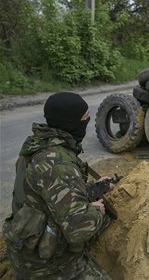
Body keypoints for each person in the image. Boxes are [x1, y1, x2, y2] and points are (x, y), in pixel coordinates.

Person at [3, 92, 113, 279]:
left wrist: (94, 188)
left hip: (25, 248)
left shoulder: (37, 146)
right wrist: (97, 211)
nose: (87, 121)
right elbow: (79, 230)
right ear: (71, 122)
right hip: (47, 266)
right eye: (85, 118)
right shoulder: (58, 164)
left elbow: (48, 196)